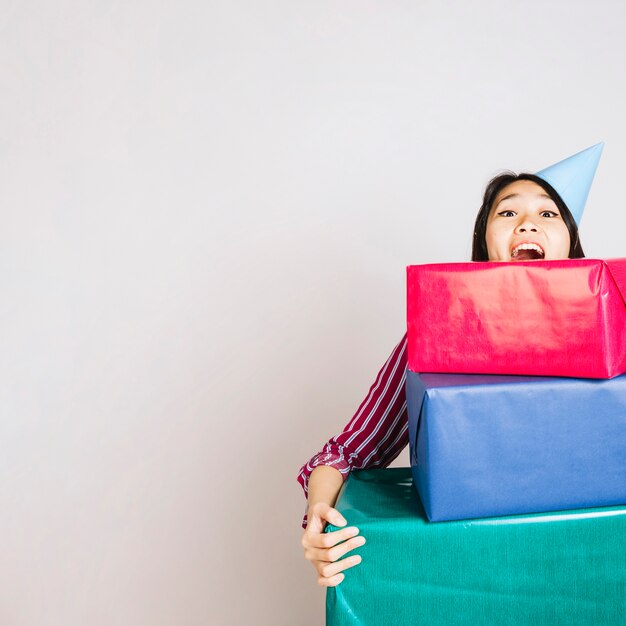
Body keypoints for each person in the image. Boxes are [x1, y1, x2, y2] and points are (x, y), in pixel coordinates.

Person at [298, 171, 588, 588]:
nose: (527, 222)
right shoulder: (437, 329)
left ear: (571, 245)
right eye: (508, 211)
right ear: (484, 243)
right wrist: (319, 524)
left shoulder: (617, 323)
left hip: (591, 565)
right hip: (475, 573)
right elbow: (346, 453)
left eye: (547, 212)